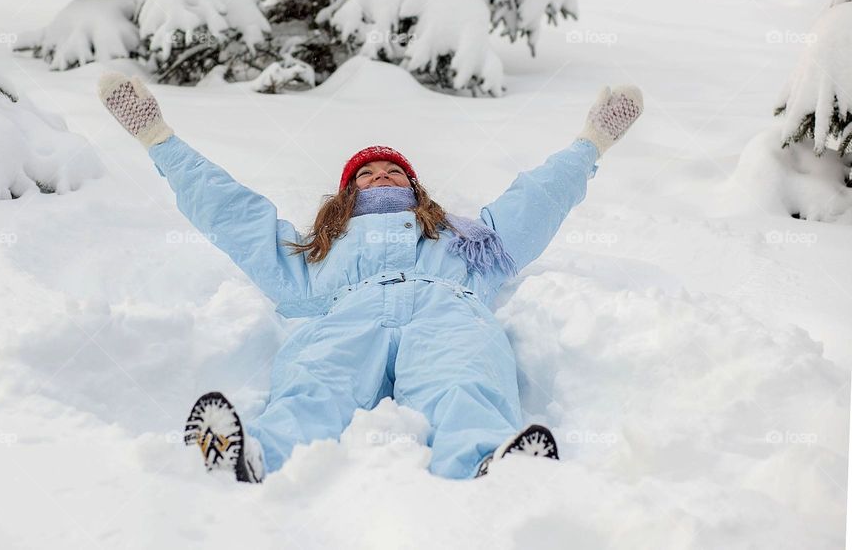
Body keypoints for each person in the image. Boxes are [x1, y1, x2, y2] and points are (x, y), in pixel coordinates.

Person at [97, 71, 643, 483]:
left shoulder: (470, 240)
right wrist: (160, 139)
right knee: (316, 382)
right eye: (366, 172)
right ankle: (255, 454)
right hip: (348, 312)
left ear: (414, 187)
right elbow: (235, 215)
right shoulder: (315, 253)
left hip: (447, 308)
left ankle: (489, 462)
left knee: (462, 378)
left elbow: (537, 200)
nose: (381, 174)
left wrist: (591, 142)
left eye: (393, 170)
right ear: (348, 193)